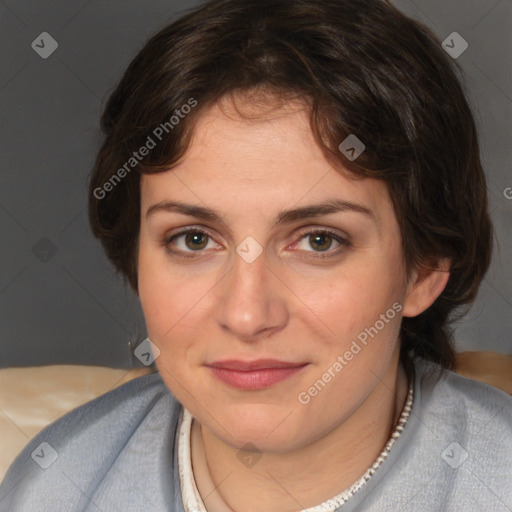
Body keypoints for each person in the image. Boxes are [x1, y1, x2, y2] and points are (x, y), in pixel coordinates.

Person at [1, 0, 511, 510]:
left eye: (319, 241)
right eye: (194, 239)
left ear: (424, 268)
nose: (246, 315)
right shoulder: (55, 487)